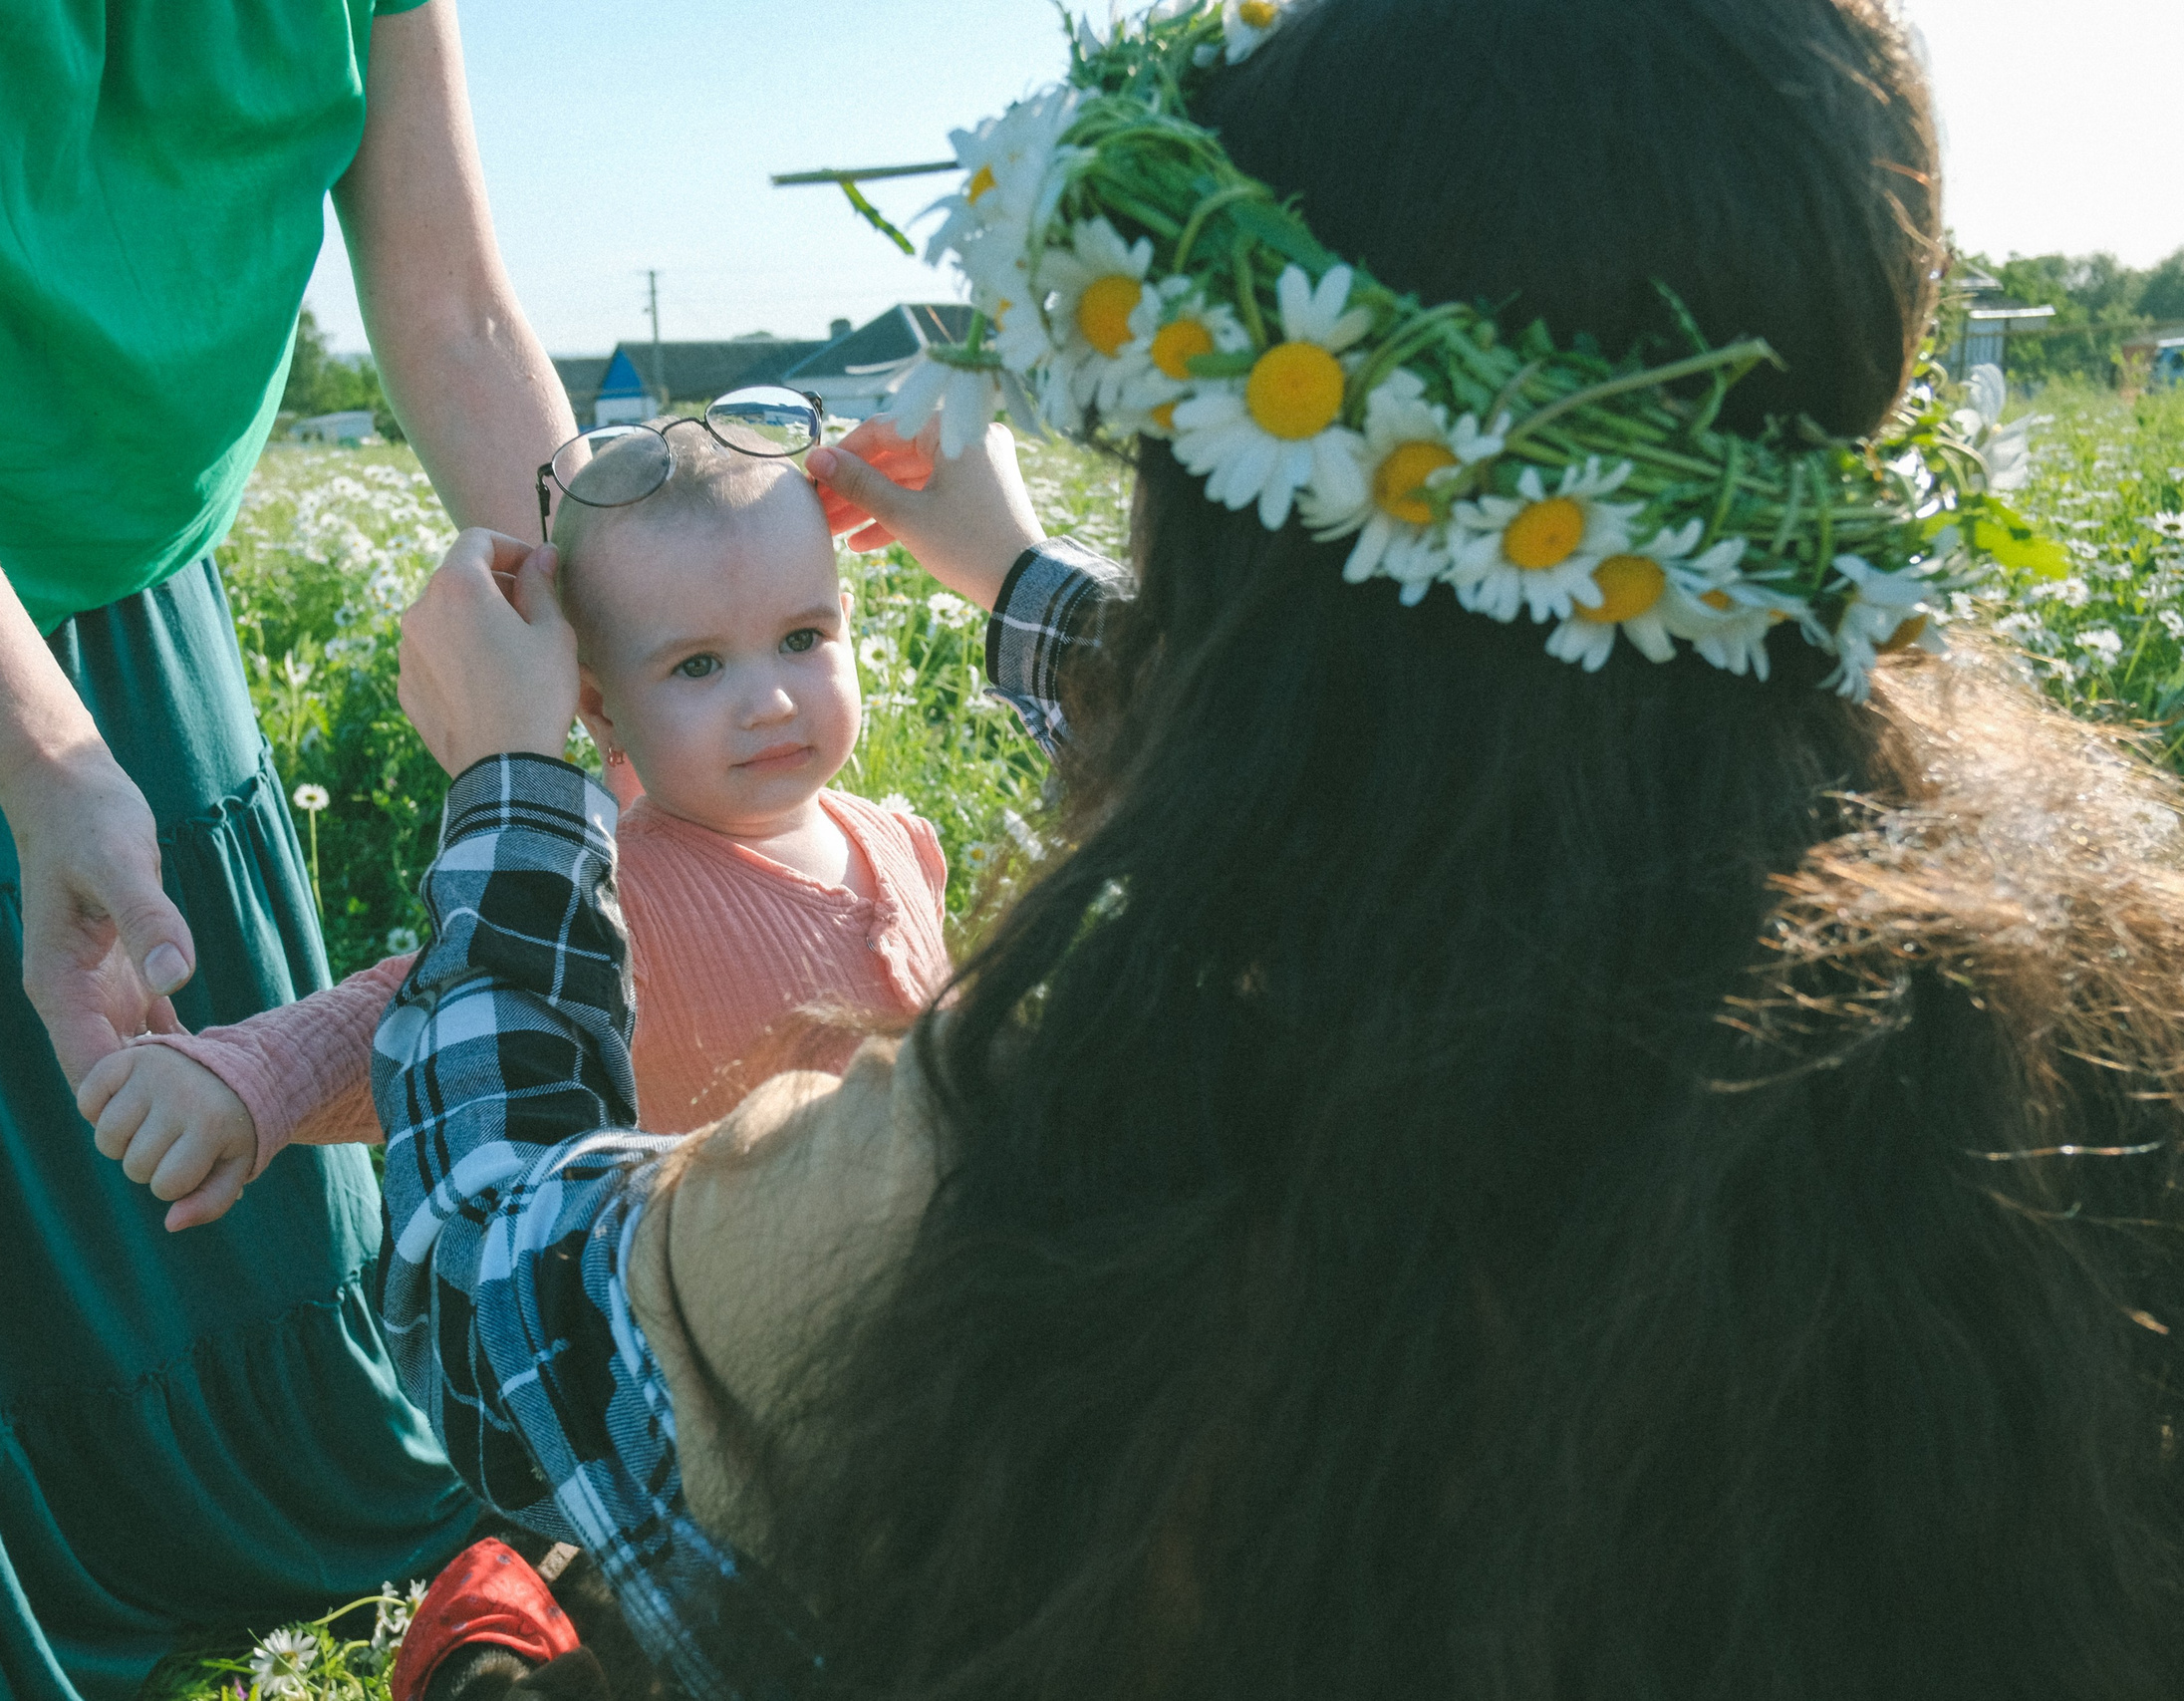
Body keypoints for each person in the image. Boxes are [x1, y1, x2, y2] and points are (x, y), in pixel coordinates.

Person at [390, 1, 2184, 1696]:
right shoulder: (2101, 1013)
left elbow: (497, 1302)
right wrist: (1018, 589)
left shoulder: (1074, 1141)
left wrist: (516, 787)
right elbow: (1489, 691)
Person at [0, 1, 574, 1695]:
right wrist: (42, 758)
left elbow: (453, 306)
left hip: (119, 587)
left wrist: (654, 648)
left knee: (223, 1265)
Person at [74, 425, 955, 1232]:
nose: (770, 702)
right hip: (750, 1325)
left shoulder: (899, 844)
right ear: (602, 710)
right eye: (699, 665)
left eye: (803, 639)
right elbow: (423, 1011)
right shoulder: (608, 893)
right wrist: (251, 1077)